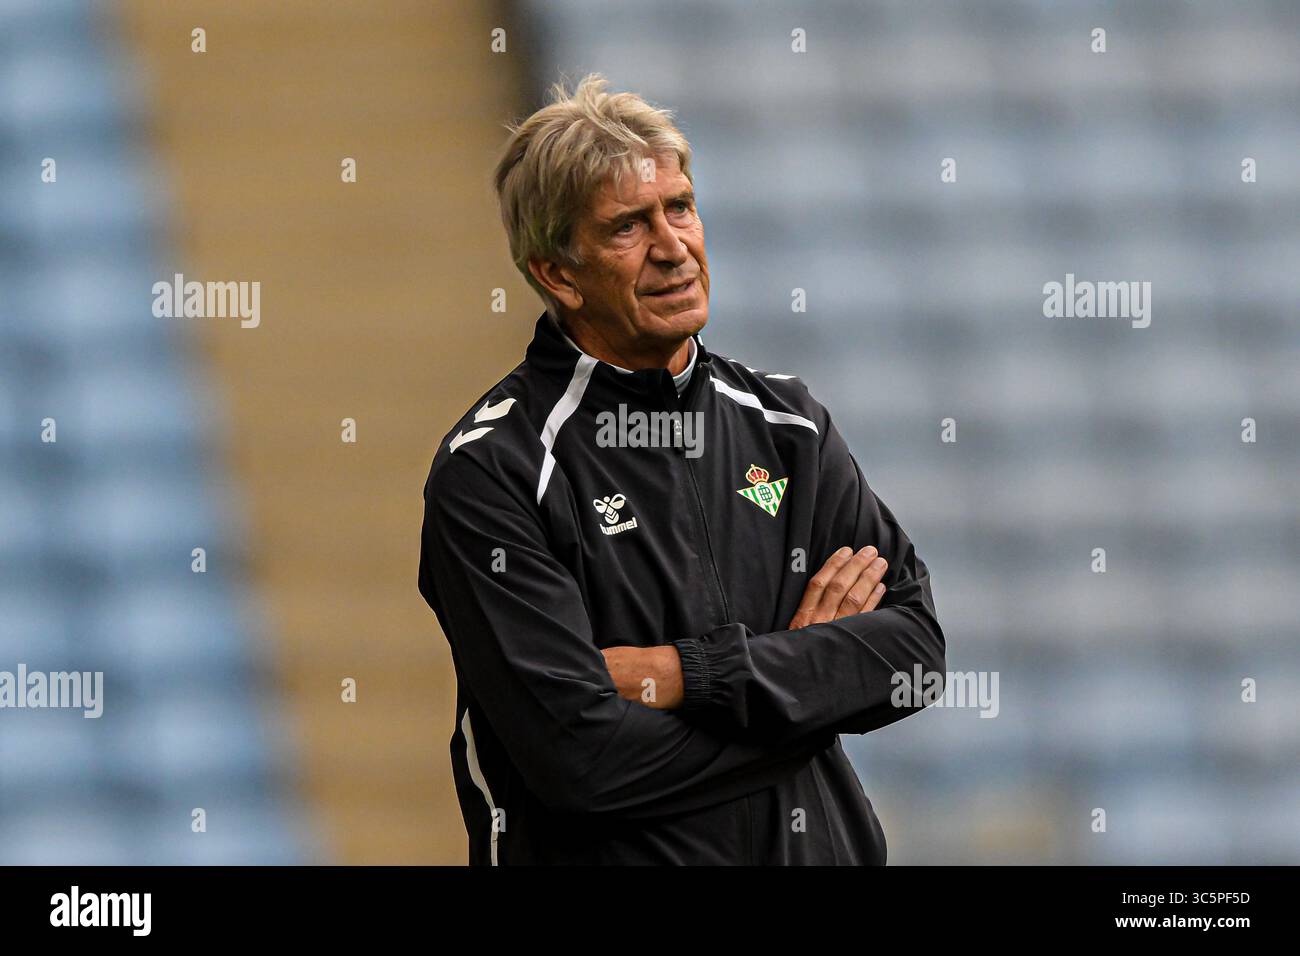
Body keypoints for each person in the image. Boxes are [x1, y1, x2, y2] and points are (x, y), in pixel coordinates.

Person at [417, 73, 945, 864]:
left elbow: (912, 655)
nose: (673, 249)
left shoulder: (787, 426)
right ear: (557, 274)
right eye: (628, 226)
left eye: (681, 207)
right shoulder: (494, 471)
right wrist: (806, 692)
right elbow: (581, 761)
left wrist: (687, 674)